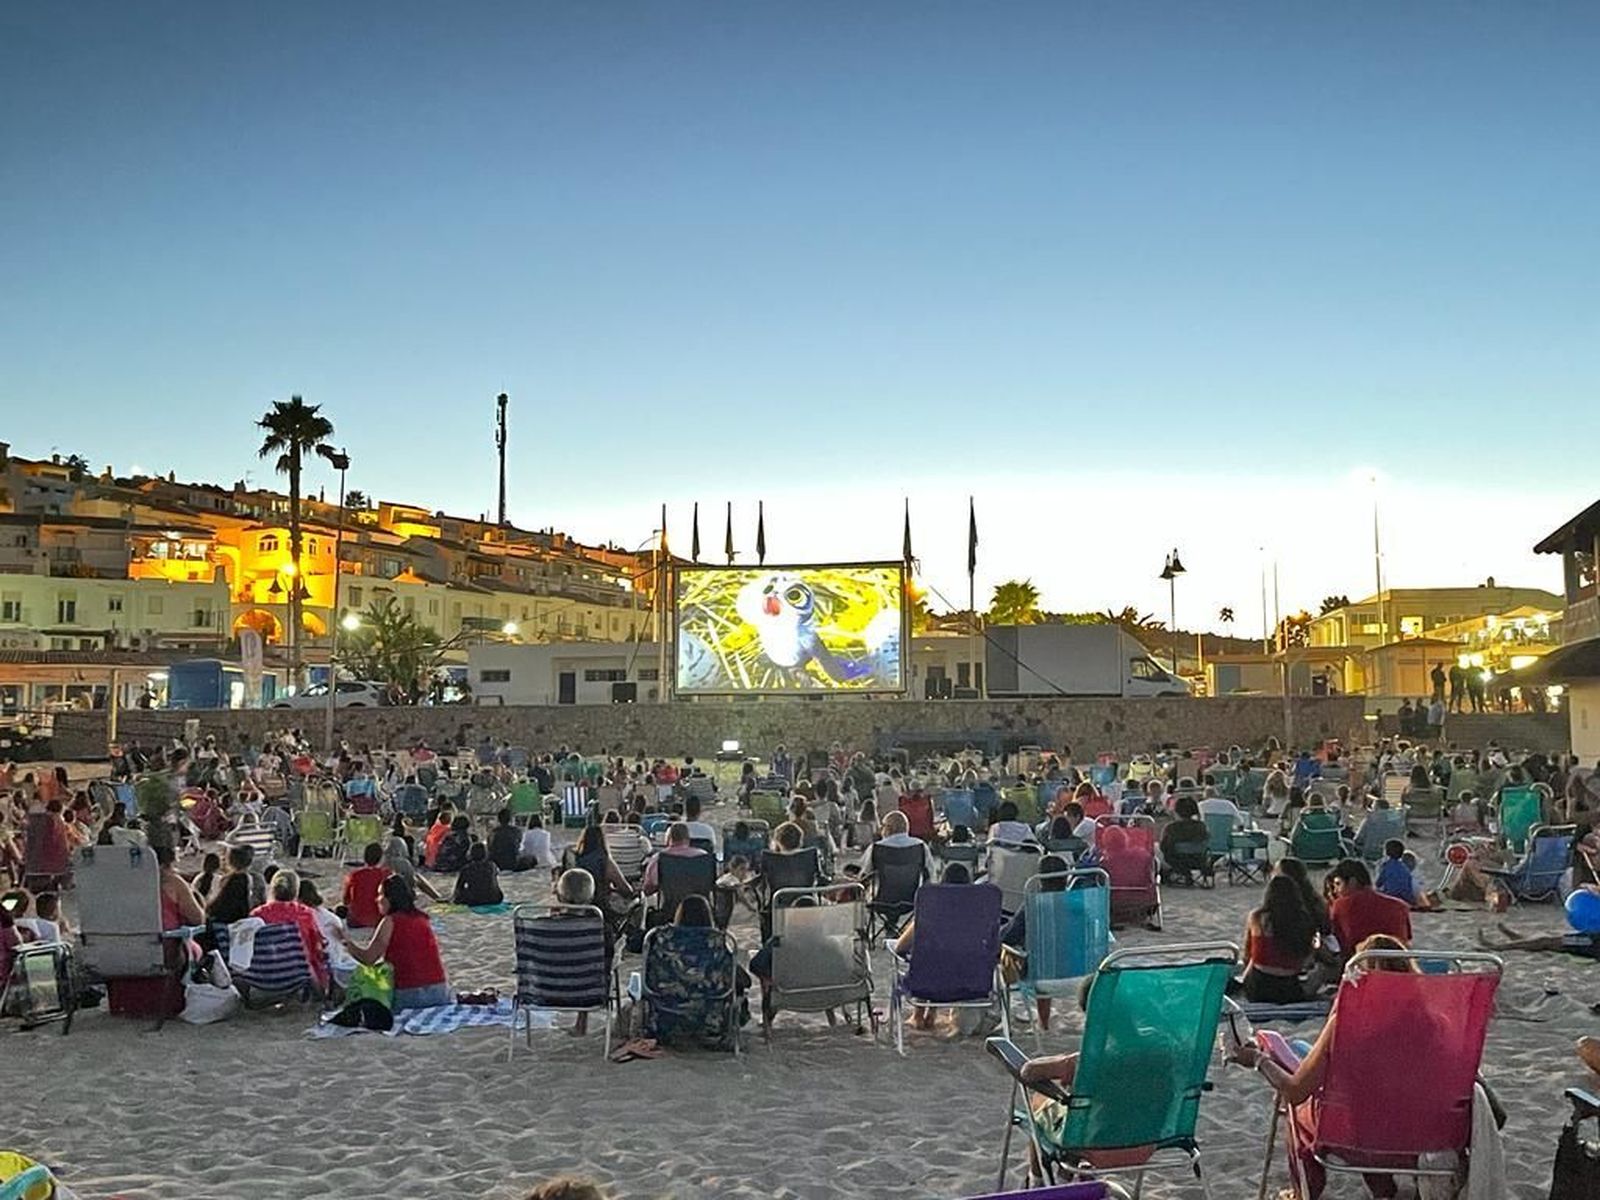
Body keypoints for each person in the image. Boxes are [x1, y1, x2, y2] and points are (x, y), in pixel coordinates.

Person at [1229, 933, 1419, 1199]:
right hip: (1418, 1136)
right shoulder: (1434, 1022)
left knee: (1297, 1107)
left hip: (1357, 1137)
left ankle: (1303, 1193)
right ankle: (1383, 1190)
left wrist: (1259, 1061)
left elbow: (1296, 1091)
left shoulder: (1348, 1023)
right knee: (1375, 1100)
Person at [338, 875, 450, 1009]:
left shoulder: (390, 921)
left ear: (390, 898)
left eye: (380, 895)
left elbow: (368, 958)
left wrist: (347, 942)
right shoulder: (422, 918)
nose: (377, 899)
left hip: (410, 993)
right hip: (439, 991)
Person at [999, 853, 1072, 1028]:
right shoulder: (1079, 904)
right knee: (1052, 955)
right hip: (1080, 972)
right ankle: (1044, 1023)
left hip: (1040, 973)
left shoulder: (1033, 905)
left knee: (1038, 959)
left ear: (1040, 879)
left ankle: (1042, 1024)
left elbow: (1009, 936)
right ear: (1066, 878)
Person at [251, 868, 330, 993]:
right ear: (296, 892)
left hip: (264, 974)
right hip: (298, 973)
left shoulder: (257, 914)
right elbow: (317, 947)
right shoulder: (304, 914)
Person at [1241, 876, 1317, 1003]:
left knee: (1254, 962)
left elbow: (1247, 954)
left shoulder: (1257, 917)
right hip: (1289, 989)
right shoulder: (1303, 920)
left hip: (1259, 989)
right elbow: (1306, 960)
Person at [1327, 859, 1411, 961]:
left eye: (1338, 884)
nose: (1336, 891)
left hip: (1359, 963)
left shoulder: (1341, 905)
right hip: (1398, 964)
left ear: (1352, 882)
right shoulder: (1400, 906)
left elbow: (1339, 944)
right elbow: (1406, 942)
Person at [857, 809, 937, 880]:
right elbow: (931, 874)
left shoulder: (875, 848)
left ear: (888, 828)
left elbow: (864, 875)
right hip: (913, 896)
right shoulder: (921, 847)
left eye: (883, 826)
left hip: (884, 896)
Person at [641, 822, 708, 896]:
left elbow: (649, 887)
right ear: (688, 839)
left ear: (668, 839)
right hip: (698, 903)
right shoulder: (703, 856)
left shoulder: (658, 858)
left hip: (669, 903)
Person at [1374, 838, 1438, 911]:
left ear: (1386, 852)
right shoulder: (1404, 867)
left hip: (1392, 896)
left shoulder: (1386, 866)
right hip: (1407, 898)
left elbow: (1378, 883)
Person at [342, 842, 391, 929]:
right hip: (378, 920)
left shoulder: (354, 875)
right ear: (380, 858)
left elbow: (346, 900)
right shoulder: (386, 874)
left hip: (355, 920)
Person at [453, 842, 504, 907]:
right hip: (495, 899)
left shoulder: (466, 869)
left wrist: (455, 899)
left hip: (475, 901)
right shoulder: (492, 866)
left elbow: (459, 888)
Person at [488, 808, 523, 872]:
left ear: (499, 819)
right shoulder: (516, 831)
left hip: (497, 863)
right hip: (513, 863)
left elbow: (490, 848)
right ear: (510, 819)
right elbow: (519, 843)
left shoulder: (493, 832)